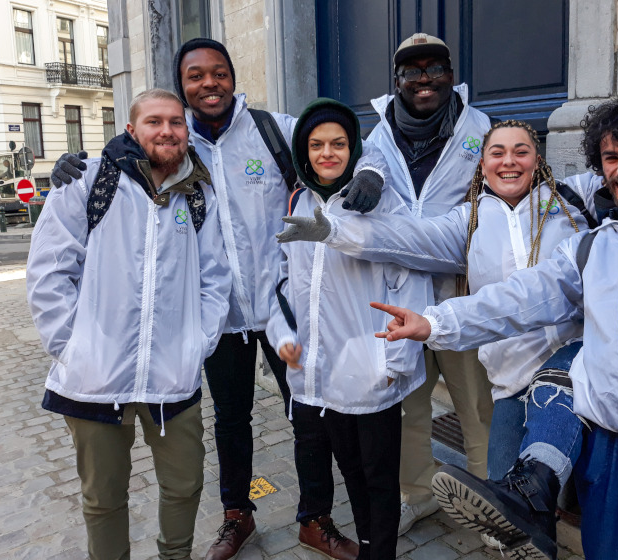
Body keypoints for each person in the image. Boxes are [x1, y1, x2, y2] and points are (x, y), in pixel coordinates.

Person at [278, 93, 618, 557]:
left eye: (521, 150)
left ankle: (540, 491)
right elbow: (481, 281)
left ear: (539, 159)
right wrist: (341, 233)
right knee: (508, 501)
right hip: (552, 403)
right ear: (480, 165)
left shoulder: (603, 209)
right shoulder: (507, 230)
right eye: (496, 152)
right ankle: (530, 515)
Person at [50, 38, 388, 560]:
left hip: (282, 305)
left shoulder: (275, 129)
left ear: (233, 76)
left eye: (219, 72)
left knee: (308, 414)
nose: (209, 83)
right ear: (182, 87)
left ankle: (315, 518)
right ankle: (238, 515)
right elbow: (127, 165)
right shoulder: (175, 144)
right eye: (195, 76)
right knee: (231, 420)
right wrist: (74, 167)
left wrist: (372, 172)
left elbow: (340, 146)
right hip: (218, 316)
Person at [27, 88, 232, 560]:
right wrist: (74, 347)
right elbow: (49, 271)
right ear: (131, 130)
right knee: (103, 497)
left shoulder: (197, 193)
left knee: (185, 483)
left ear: (186, 130)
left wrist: (194, 345)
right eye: (154, 122)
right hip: (94, 379)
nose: (166, 131)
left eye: (176, 123)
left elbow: (215, 278)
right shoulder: (88, 182)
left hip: (172, 378)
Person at [267, 98, 432, 560]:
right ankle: (366, 547)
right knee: (352, 473)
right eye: (317, 144)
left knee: (380, 477)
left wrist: (394, 360)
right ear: (304, 150)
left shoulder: (379, 204)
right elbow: (283, 280)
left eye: (338, 143)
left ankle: (380, 552)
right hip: (323, 373)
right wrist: (285, 338)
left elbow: (411, 278)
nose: (327, 153)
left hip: (372, 368)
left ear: (354, 148)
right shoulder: (299, 200)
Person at [365, 32, 496, 535]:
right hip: (403, 296)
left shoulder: (479, 128)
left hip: (462, 293)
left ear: (450, 73)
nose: (424, 79)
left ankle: (492, 506)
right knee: (408, 410)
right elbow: (371, 166)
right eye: (411, 71)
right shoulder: (378, 134)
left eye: (434, 68)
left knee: (475, 406)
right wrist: (370, 175)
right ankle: (417, 495)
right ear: (397, 81)